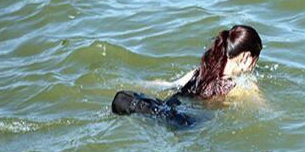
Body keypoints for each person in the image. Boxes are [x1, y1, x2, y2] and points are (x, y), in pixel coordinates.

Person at [111, 25, 263, 126]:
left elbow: (166, 85)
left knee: (123, 98)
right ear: (246, 58)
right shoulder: (242, 86)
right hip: (185, 123)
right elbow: (264, 112)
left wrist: (132, 83)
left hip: (165, 105)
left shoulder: (201, 71)